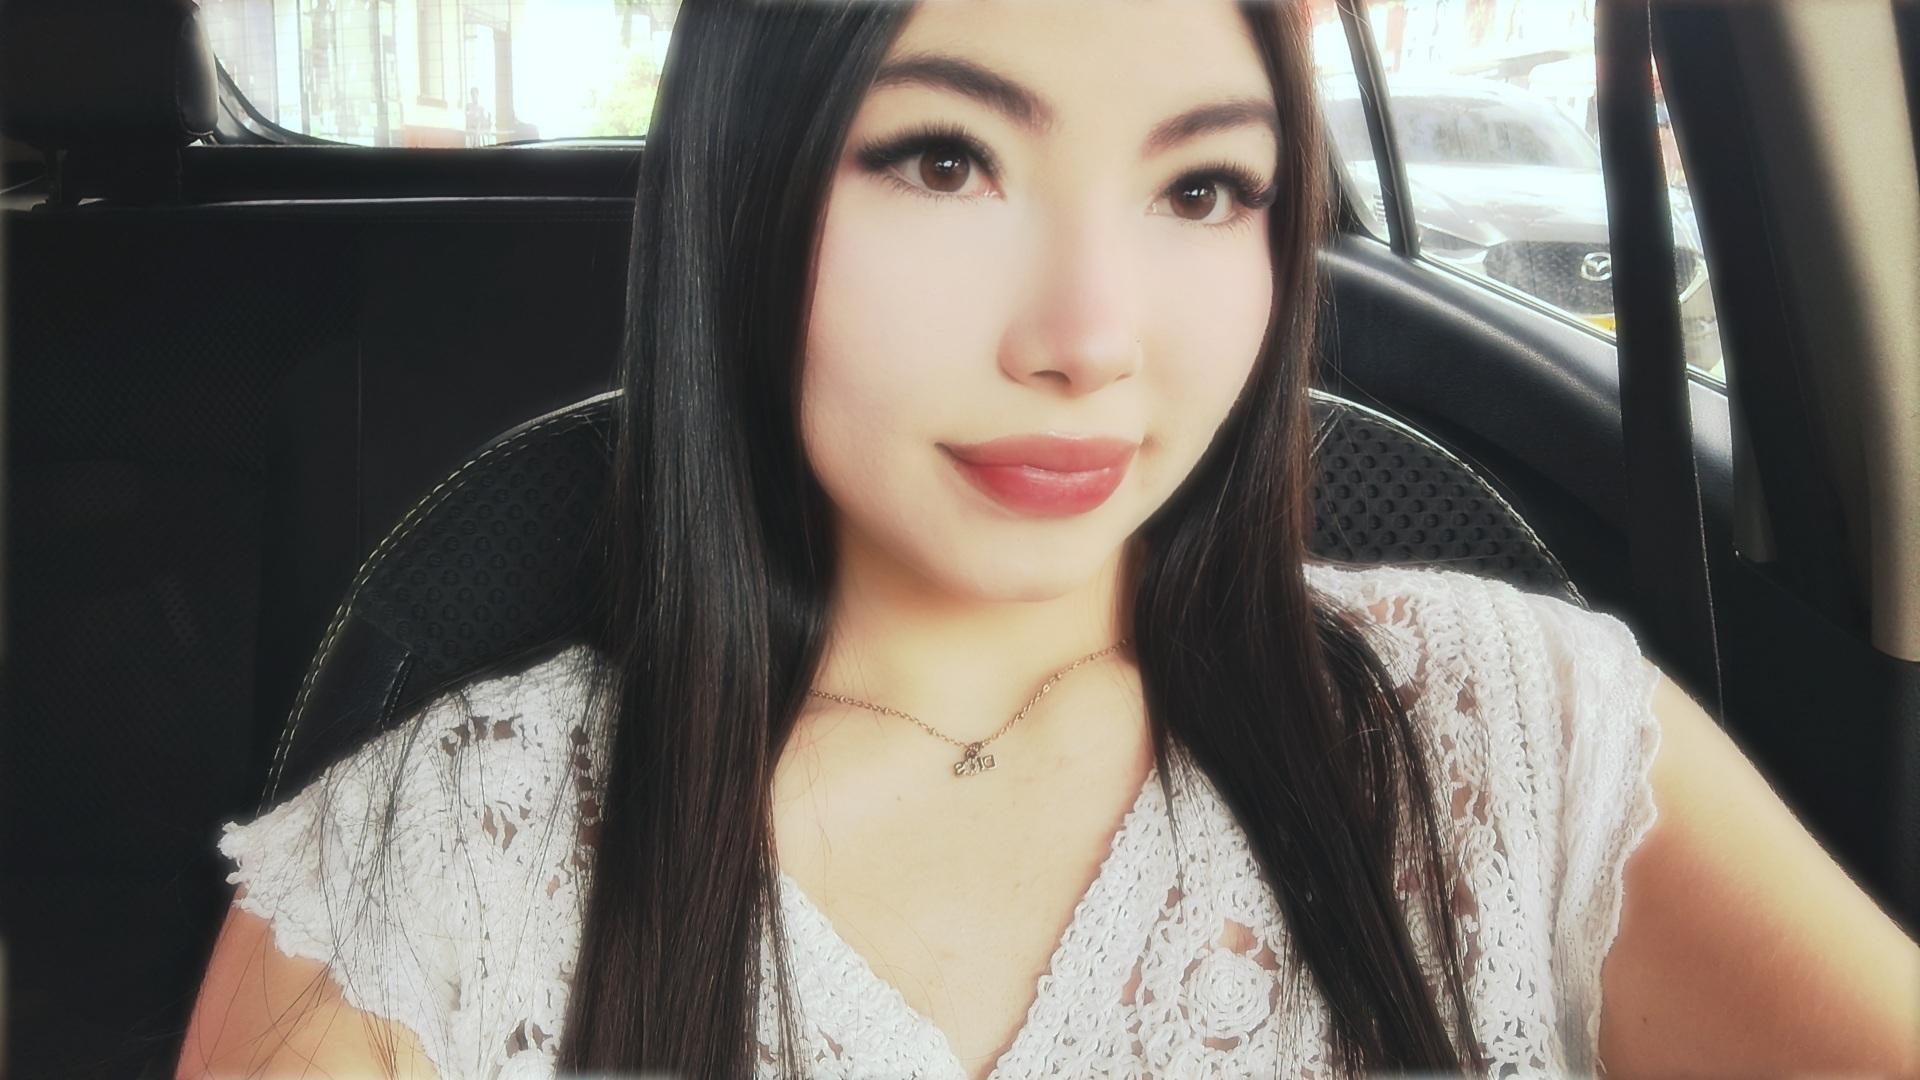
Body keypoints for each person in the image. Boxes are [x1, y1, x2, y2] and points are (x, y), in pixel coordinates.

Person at [176, 2, 1920, 1078]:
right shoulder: (429, 872)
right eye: (946, 160)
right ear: (741, 190)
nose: (1090, 339)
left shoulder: (1517, 739)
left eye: (1202, 188)